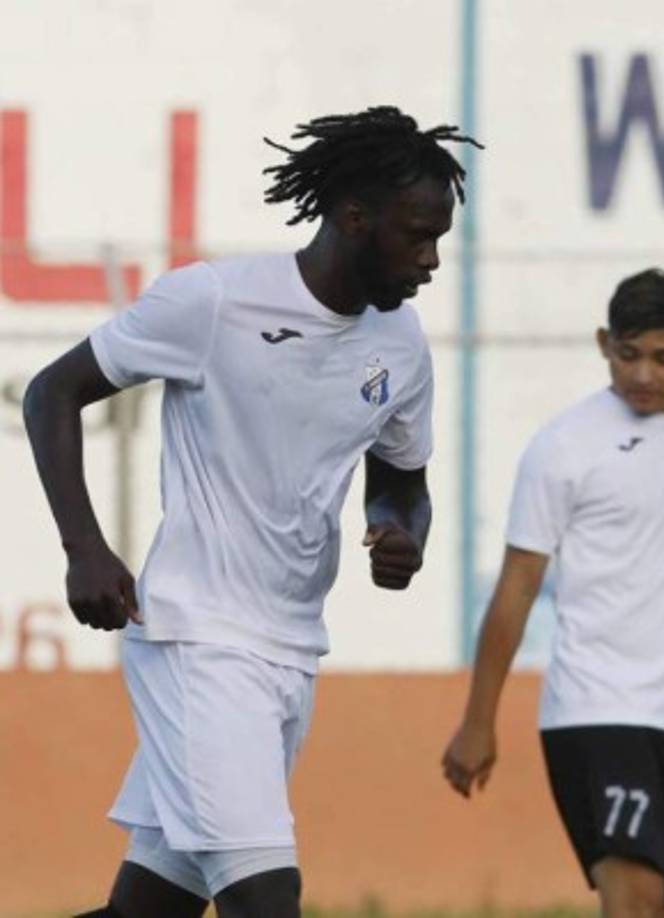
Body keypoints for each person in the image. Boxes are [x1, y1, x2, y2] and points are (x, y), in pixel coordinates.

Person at [23, 106, 481, 918]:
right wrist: (84, 548)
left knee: (148, 912)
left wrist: (400, 530)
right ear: (352, 218)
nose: (430, 258)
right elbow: (53, 392)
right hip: (198, 640)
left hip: (288, 650)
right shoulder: (215, 302)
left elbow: (401, 479)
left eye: (438, 237)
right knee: (267, 900)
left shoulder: (400, 345)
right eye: (416, 234)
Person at [442, 268, 664, 918]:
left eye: (663, 357)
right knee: (634, 902)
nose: (644, 375)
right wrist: (477, 720)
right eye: (628, 355)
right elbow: (517, 586)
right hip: (595, 709)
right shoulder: (564, 445)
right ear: (604, 344)